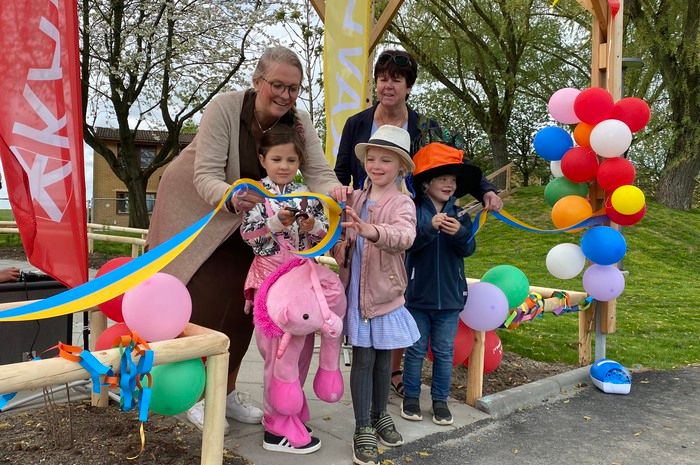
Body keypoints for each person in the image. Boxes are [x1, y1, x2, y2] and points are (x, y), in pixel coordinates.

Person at [146, 46, 343, 435]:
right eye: (278, 86)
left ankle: (229, 390)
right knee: (207, 301)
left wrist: (337, 194)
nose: (286, 96)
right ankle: (199, 397)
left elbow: (320, 172)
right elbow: (205, 173)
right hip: (202, 210)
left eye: (294, 88)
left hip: (256, 224)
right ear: (257, 82)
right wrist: (232, 195)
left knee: (248, 307)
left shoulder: (299, 122)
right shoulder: (225, 108)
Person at [334, 48, 503, 398]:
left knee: (398, 293)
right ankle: (362, 355)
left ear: (409, 86)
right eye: (382, 78)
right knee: (362, 285)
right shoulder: (357, 124)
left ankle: (392, 368)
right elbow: (340, 171)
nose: (388, 85)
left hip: (408, 220)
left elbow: (452, 163)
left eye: (396, 79)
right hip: (364, 214)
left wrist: (485, 188)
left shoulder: (425, 125)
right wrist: (339, 198)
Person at [332, 125, 420, 465]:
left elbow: (404, 236)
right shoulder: (355, 198)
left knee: (384, 358)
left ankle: (381, 412)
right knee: (364, 359)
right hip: (357, 293)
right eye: (371, 158)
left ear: (401, 166)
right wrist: (343, 244)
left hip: (384, 293)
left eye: (386, 159)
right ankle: (362, 426)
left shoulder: (402, 203)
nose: (376, 165)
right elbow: (339, 237)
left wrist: (371, 230)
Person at [240, 124, 328, 454]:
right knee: (276, 357)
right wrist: (278, 223)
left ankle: (290, 410)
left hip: (301, 283)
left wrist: (312, 225)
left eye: (291, 160)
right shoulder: (254, 195)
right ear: (263, 159)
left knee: (301, 354)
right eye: (276, 158)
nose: (283, 166)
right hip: (270, 286)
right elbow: (253, 241)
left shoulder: (307, 195)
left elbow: (322, 239)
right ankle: (275, 426)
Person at [400, 142, 480, 426]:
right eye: (442, 178)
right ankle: (411, 396)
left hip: (449, 296)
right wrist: (428, 229)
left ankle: (440, 401)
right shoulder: (413, 211)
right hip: (418, 295)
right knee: (416, 349)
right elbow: (408, 244)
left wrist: (459, 234)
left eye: (452, 180)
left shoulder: (461, 215)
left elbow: (468, 249)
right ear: (426, 183)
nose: (448, 184)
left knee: (444, 351)